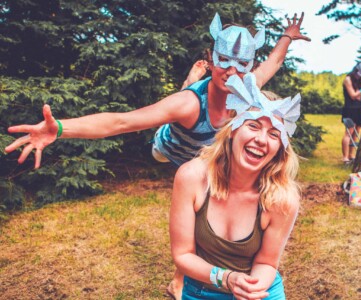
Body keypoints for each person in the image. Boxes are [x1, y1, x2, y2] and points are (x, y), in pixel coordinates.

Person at [4, 12, 311, 300]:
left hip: (221, 155)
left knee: (203, 217)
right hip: (175, 150)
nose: (233, 71)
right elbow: (122, 122)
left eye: (242, 64)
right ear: (211, 57)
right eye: (224, 61)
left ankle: (183, 275)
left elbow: (273, 61)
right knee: (187, 181)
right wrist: (60, 128)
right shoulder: (188, 106)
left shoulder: (248, 94)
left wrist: (287, 35)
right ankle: (189, 85)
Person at [170, 72, 301, 299]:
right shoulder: (192, 176)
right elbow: (182, 255)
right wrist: (228, 279)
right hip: (203, 288)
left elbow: (267, 262)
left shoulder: (282, 199)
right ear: (233, 131)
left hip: (258, 289)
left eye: (273, 134)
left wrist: (250, 289)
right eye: (253, 126)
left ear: (280, 148)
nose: (261, 139)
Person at [341, 61, 361, 164]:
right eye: (359, 74)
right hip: (350, 109)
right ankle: (345, 157)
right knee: (349, 133)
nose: (360, 77)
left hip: (358, 109)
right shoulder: (348, 79)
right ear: (356, 71)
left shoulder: (359, 80)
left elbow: (360, 95)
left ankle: (352, 155)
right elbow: (353, 95)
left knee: (356, 133)